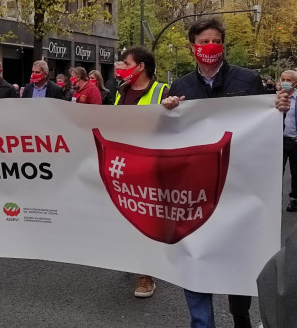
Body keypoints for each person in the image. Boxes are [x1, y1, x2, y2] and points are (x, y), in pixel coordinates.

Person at [161, 17, 263, 328]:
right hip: (195, 189)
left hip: (237, 185)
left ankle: (240, 316)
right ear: (192, 48)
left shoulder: (248, 81)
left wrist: (278, 106)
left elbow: (262, 123)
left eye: (215, 40)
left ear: (223, 44)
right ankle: (201, 322)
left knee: (236, 257)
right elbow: (168, 135)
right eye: (203, 42)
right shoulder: (181, 87)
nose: (209, 47)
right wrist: (167, 112)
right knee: (195, 255)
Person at [114, 46, 169, 298]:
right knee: (126, 216)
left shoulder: (162, 92)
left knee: (145, 218)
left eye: (126, 63)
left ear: (141, 66)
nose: (122, 67)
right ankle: (132, 258)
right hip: (123, 164)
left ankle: (146, 275)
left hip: (151, 166)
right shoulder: (120, 91)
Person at [278, 70, 297, 212]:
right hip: (279, 141)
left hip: (295, 141)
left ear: (295, 83)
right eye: (283, 79)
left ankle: (294, 200)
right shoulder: (274, 99)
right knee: (277, 172)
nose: (285, 82)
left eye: (289, 80)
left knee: (296, 173)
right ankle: (274, 199)